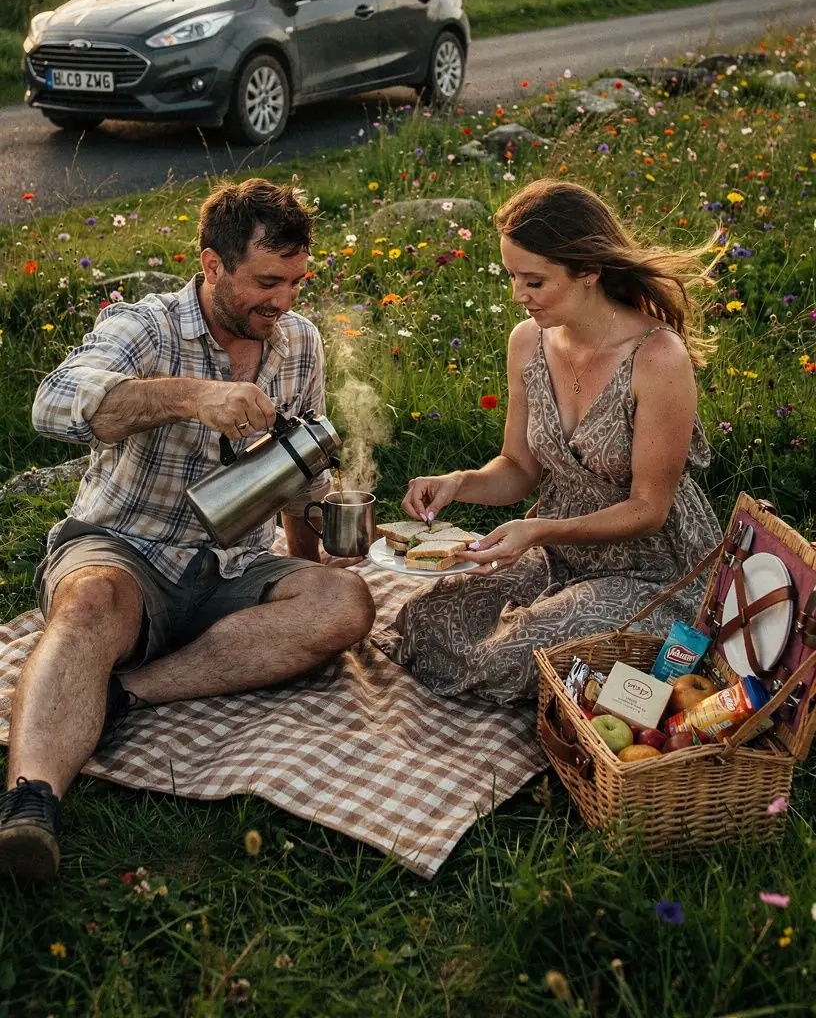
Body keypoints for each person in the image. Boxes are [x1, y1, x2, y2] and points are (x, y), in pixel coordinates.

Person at [0, 179, 375, 883]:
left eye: (296, 281)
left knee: (346, 604)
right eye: (267, 281)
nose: (284, 301)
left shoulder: (298, 343)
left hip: (234, 567)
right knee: (89, 605)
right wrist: (191, 397)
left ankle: (123, 692)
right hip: (125, 549)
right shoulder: (150, 326)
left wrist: (319, 560)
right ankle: (30, 806)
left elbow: (300, 480)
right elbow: (53, 404)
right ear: (211, 265)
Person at [393, 179, 722, 706]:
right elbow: (518, 469)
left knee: (511, 655)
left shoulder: (657, 357)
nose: (518, 295)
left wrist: (541, 529)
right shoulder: (527, 342)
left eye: (534, 281)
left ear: (588, 271)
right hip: (560, 555)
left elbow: (649, 509)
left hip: (649, 569)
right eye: (512, 277)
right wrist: (458, 484)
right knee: (425, 614)